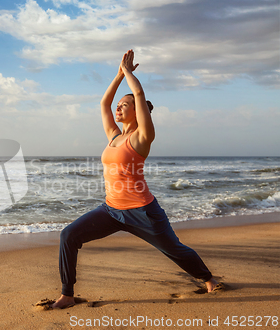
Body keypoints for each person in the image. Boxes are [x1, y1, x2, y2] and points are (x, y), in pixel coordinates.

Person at [51, 49, 218, 309]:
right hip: (111, 209)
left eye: (124, 104)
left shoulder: (141, 138)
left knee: (174, 249)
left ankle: (207, 279)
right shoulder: (114, 136)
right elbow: (104, 104)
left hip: (142, 211)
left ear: (137, 112)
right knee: (68, 235)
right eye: (120, 104)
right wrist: (118, 75)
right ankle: (67, 294)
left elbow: (139, 95)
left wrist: (129, 73)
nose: (118, 106)